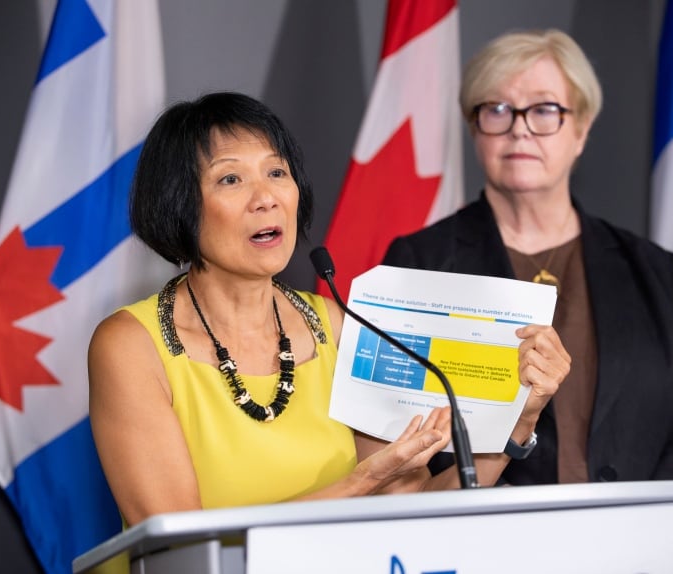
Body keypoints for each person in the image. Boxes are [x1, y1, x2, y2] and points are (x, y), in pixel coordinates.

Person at [88, 91, 570, 528]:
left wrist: (519, 421)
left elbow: (416, 516)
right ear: (179, 206)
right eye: (231, 178)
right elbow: (181, 548)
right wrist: (360, 484)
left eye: (277, 172)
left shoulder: (342, 325)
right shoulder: (131, 346)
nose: (267, 198)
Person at [382, 29, 673, 484]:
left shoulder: (655, 271)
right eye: (496, 110)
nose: (519, 128)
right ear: (475, 128)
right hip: (489, 541)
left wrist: (647, 520)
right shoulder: (420, 261)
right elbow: (396, 434)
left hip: (644, 544)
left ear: (582, 128)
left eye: (544, 110)